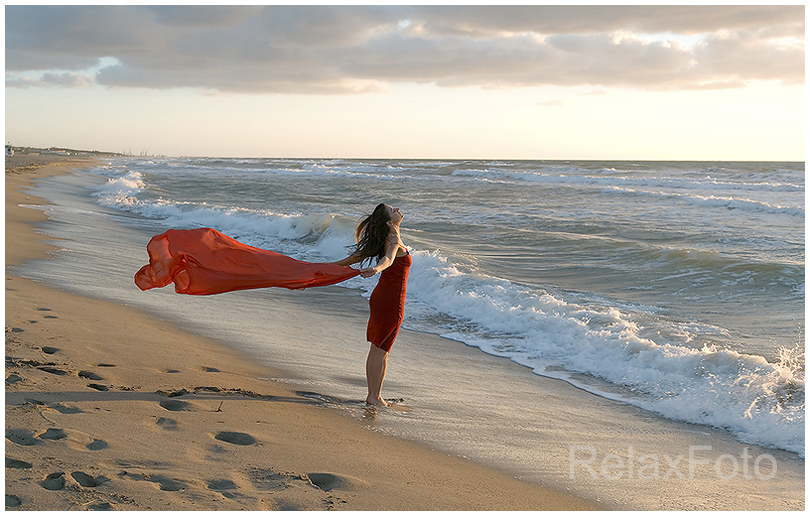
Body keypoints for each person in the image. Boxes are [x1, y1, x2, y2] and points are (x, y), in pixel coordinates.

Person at [333, 203, 411, 406]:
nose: (398, 210)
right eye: (393, 210)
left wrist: (324, 267)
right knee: (380, 349)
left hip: (382, 297)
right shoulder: (392, 238)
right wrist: (377, 269)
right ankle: (373, 397)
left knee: (379, 348)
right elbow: (388, 259)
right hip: (391, 300)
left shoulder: (388, 235)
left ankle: (375, 395)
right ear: (388, 221)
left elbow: (354, 258)